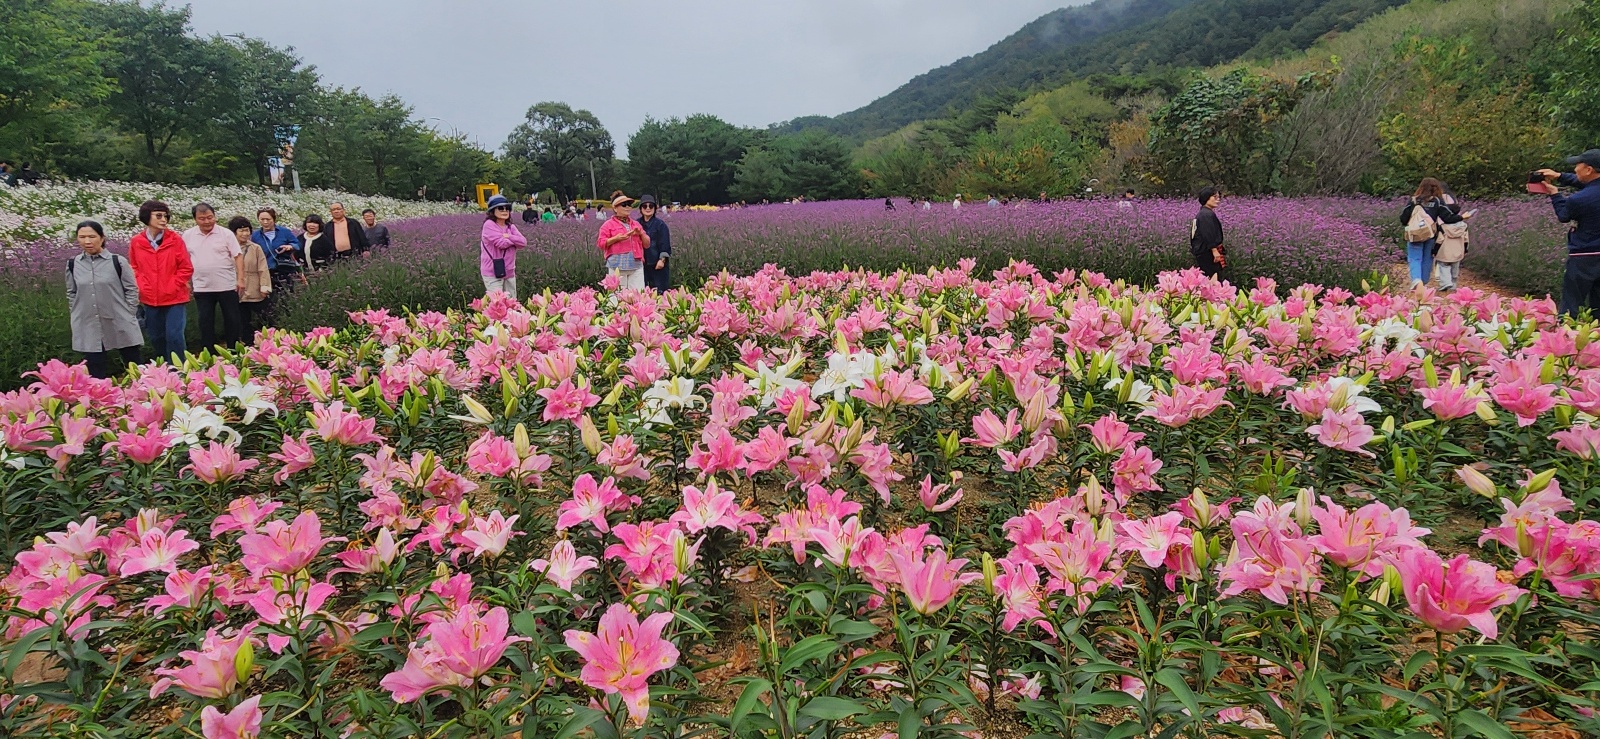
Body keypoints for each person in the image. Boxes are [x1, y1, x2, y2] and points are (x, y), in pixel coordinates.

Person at [67, 220, 142, 379]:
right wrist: (76, 312)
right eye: (82, 237)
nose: (87, 241)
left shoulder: (117, 261)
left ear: (102, 238)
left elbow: (132, 289)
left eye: (92, 236)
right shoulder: (73, 264)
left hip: (118, 318)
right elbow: (71, 292)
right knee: (94, 367)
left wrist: (129, 312)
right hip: (88, 322)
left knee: (133, 362)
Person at [127, 200, 193, 363]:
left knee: (174, 335)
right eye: (158, 216)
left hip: (175, 298)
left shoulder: (175, 240)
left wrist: (173, 285)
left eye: (165, 216)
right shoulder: (137, 241)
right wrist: (142, 285)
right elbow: (134, 267)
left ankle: (179, 369)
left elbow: (186, 268)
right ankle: (163, 369)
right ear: (146, 217)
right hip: (150, 298)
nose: (163, 219)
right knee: (156, 337)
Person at [1538, 150, 1600, 316]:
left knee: (1571, 304)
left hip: (1584, 256)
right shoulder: (1589, 191)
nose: (1575, 169)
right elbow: (1591, 185)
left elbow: (1564, 215)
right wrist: (1559, 176)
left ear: (1589, 170)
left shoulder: (1578, 200)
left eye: (1578, 165)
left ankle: (1566, 330)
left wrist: (1555, 194)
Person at [183, 202, 244, 350]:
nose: (207, 221)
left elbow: (238, 256)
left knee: (232, 320)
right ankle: (209, 354)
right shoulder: (188, 235)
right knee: (205, 322)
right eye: (202, 218)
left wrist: (241, 279)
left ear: (215, 217)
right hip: (202, 286)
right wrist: (185, 281)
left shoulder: (226, 234)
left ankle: (233, 352)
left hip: (227, 285)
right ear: (195, 219)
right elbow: (183, 259)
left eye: (210, 217)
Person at [1399, 178, 1466, 287]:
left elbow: (1403, 219)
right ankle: (1424, 282)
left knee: (1415, 258)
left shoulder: (1414, 200)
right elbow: (1448, 217)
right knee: (1427, 258)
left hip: (1415, 235)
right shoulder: (1437, 201)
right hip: (1430, 235)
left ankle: (1416, 280)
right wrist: (1462, 217)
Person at [230, 216, 273, 343]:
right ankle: (246, 345)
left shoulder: (255, 248)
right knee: (242, 321)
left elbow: (263, 268)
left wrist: (265, 286)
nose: (245, 234)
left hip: (255, 288)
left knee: (264, 318)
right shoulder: (228, 248)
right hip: (236, 289)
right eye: (241, 230)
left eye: (247, 230)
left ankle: (267, 343)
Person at [597, 193, 649, 291]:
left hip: (636, 265)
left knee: (637, 294)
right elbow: (601, 243)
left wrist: (641, 234)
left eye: (629, 205)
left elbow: (647, 244)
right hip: (616, 266)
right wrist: (616, 239)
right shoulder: (607, 225)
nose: (628, 207)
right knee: (617, 295)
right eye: (624, 205)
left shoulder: (636, 224)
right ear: (615, 208)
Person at [480, 195, 527, 298]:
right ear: (493, 211)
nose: (505, 211)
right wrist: (514, 240)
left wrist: (508, 236)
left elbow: (523, 242)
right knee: (498, 303)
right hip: (493, 272)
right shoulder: (489, 225)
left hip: (509, 272)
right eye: (501, 208)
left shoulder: (511, 227)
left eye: (507, 208)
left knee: (512, 303)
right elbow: (501, 244)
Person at [253, 207, 303, 291]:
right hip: (266, 272)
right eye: (262, 219)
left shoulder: (284, 232)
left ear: (274, 219)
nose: (265, 222)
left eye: (268, 219)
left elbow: (298, 244)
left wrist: (290, 246)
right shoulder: (255, 235)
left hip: (284, 270)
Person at [638, 194, 672, 294]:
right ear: (641, 209)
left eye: (651, 206)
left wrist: (662, 260)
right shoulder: (636, 224)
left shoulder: (660, 224)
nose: (648, 208)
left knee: (659, 291)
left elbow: (665, 244)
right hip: (642, 264)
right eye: (645, 206)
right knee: (643, 292)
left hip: (657, 263)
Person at [1190, 187, 1226, 278]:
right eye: (1215, 197)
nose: (1218, 200)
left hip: (1205, 251)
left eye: (1218, 197)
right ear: (1206, 198)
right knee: (1213, 278)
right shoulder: (1206, 214)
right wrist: (1214, 250)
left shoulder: (1204, 213)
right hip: (1207, 252)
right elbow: (1207, 233)